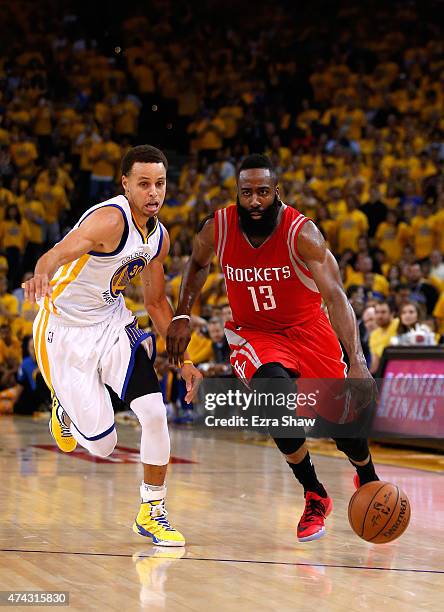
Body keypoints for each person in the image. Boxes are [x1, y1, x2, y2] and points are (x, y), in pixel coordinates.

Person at [167, 154, 379, 543]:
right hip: (256, 334)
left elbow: (335, 297)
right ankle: (314, 492)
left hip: (309, 331)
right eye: (246, 192)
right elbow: (196, 265)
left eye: (263, 192)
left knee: (345, 428)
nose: (255, 201)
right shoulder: (218, 228)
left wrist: (358, 362)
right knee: (273, 398)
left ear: (276, 191)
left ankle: (366, 474)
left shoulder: (304, 234)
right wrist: (182, 314)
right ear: (237, 193)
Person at [22, 145, 202, 547]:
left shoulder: (158, 237)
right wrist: (39, 275)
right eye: (144, 184)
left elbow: (156, 303)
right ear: (125, 184)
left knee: (155, 413)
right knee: (103, 446)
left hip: (112, 322)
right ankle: (63, 408)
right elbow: (55, 253)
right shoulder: (108, 220)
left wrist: (184, 360)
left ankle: (152, 511)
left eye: (160, 183)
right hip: (64, 331)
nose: (154, 192)